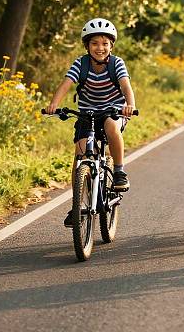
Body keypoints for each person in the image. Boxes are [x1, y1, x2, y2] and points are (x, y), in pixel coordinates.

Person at [46, 18, 136, 227]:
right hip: (87, 112)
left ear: (111, 45)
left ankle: (120, 171)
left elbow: (126, 86)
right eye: (95, 43)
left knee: (112, 127)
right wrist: (53, 104)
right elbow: (65, 84)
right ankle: (77, 204)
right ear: (87, 45)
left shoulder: (117, 63)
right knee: (80, 154)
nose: (100, 48)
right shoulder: (81, 63)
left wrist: (129, 105)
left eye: (105, 43)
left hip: (114, 109)